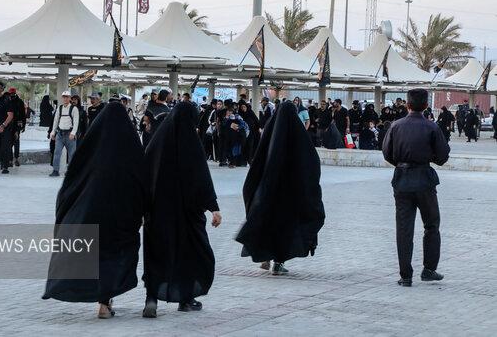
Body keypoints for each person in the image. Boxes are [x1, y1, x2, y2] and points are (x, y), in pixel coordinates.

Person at [43, 102, 146, 319]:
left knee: (96, 254)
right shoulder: (130, 146)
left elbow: (71, 182)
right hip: (120, 215)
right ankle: (105, 301)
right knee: (113, 256)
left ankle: (102, 301)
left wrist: (67, 211)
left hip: (91, 212)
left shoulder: (90, 148)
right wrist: (142, 210)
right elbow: (140, 180)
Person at [142, 102, 222, 318]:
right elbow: (201, 177)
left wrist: (141, 209)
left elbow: (144, 176)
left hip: (158, 213)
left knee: (157, 254)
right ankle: (186, 299)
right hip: (187, 214)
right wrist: (213, 207)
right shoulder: (191, 143)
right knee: (191, 254)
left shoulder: (156, 143)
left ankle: (151, 298)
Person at [236, 101, 325, 275]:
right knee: (286, 228)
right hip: (290, 195)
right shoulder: (298, 135)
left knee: (268, 223)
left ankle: (266, 256)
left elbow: (257, 164)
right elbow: (312, 164)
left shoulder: (270, 134)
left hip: (268, 193)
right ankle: (278, 262)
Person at [382, 88, 450, 287]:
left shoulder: (396, 126)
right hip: (424, 181)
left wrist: (402, 163)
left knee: (404, 229)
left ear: (407, 105)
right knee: (431, 225)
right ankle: (429, 269)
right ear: (426, 105)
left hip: (402, 180)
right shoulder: (432, 127)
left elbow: (387, 153)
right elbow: (442, 156)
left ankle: (405, 276)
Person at [49, 91, 80, 177]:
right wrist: (53, 132)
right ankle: (55, 170)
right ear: (62, 98)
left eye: (67, 97)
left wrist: (73, 133)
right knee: (57, 152)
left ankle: (70, 172)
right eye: (64, 97)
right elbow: (56, 121)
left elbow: (76, 122)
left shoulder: (74, 109)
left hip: (70, 134)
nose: (65, 98)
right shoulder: (59, 108)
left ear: (70, 98)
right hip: (60, 134)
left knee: (71, 154)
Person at [7, 88, 26, 167]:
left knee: (16, 141)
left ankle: (16, 158)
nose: (12, 95)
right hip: (8, 124)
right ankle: (10, 160)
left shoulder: (20, 102)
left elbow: (23, 114)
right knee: (9, 143)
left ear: (15, 93)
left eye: (13, 93)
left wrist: (23, 125)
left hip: (17, 125)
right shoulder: (7, 101)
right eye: (10, 94)